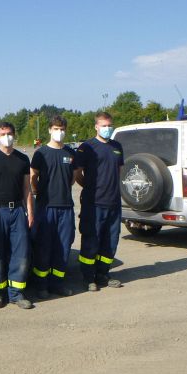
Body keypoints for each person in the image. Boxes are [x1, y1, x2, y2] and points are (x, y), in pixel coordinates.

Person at [0, 121, 34, 310]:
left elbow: (27, 188)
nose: (7, 137)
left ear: (14, 135)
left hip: (18, 210)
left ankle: (16, 294)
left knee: (20, 254)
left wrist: (30, 212)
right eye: (3, 134)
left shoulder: (22, 159)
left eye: (10, 133)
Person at [73, 111, 124, 291]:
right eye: (103, 126)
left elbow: (118, 172)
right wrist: (89, 188)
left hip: (113, 203)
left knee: (111, 240)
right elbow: (77, 173)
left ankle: (103, 274)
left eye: (110, 125)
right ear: (96, 127)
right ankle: (89, 277)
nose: (107, 129)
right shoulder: (87, 147)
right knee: (91, 240)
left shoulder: (117, 146)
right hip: (93, 203)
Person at [29, 115, 76, 299]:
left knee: (63, 248)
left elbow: (73, 177)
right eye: (56, 129)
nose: (60, 132)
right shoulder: (41, 153)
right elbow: (33, 177)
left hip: (65, 207)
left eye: (62, 129)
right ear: (50, 130)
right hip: (46, 208)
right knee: (44, 247)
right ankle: (41, 286)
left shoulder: (70, 153)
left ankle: (57, 284)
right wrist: (38, 192)